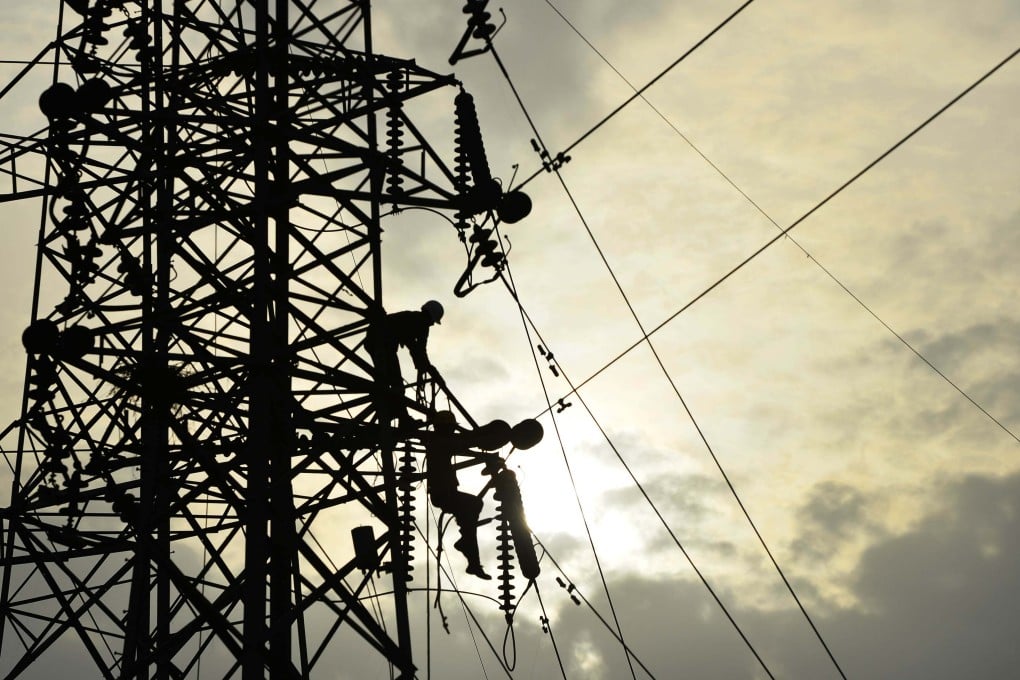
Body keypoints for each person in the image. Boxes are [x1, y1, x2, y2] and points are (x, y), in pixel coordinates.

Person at [424, 410, 491, 579]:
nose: (453, 431)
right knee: (474, 505)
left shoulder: (437, 441)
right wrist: (482, 439)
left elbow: (461, 443)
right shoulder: (441, 442)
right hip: (444, 494)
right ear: (446, 428)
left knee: (469, 517)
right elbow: (464, 443)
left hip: (446, 493)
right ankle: (467, 549)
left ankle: (472, 560)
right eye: (451, 428)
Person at [364, 300, 444, 418]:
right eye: (432, 321)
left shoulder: (423, 327)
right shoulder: (412, 319)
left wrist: (425, 367)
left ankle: (395, 413)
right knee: (395, 384)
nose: (432, 324)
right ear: (429, 316)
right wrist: (426, 367)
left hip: (383, 345)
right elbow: (412, 345)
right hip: (379, 342)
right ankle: (399, 417)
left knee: (390, 383)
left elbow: (421, 350)